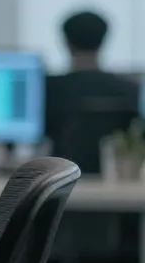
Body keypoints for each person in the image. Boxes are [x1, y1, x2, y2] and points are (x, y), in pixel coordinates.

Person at [44, 10, 143, 174]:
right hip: (116, 180)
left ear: (67, 42)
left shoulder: (48, 89)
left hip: (59, 180)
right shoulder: (131, 90)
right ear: (104, 41)